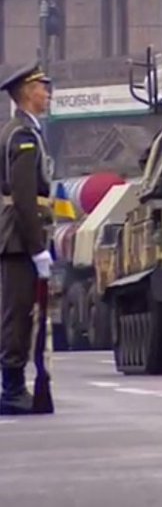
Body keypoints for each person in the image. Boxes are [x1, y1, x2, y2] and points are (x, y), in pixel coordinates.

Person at [0, 63, 54, 415]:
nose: (47, 93)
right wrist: (37, 249)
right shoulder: (22, 136)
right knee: (16, 314)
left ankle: (14, 386)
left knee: (19, 313)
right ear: (26, 93)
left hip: (20, 238)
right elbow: (22, 197)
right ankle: (12, 389)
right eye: (41, 87)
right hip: (19, 240)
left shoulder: (23, 131)